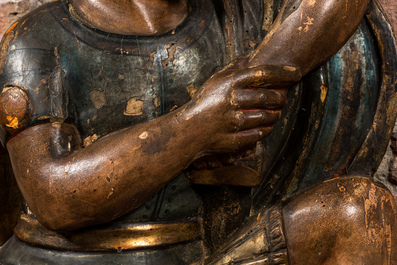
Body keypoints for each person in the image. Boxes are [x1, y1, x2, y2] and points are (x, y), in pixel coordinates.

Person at [0, 0, 396, 264]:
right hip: (70, 257)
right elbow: (52, 196)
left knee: (359, 212)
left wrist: (258, 76)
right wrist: (198, 124)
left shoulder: (229, 21)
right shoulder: (38, 38)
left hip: (195, 253)